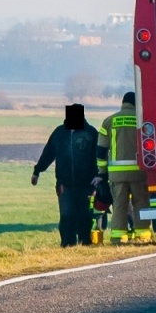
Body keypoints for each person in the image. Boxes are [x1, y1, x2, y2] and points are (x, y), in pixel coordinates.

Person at [32, 103, 102, 248]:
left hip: (87, 184)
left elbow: (99, 156)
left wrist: (99, 176)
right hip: (65, 184)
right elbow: (48, 153)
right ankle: (67, 244)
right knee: (67, 215)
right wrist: (37, 171)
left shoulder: (91, 133)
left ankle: (85, 242)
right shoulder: (59, 133)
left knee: (85, 215)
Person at [97, 91, 148, 244]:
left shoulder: (109, 121)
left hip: (117, 175)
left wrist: (102, 172)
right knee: (141, 203)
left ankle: (119, 237)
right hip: (139, 172)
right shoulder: (142, 120)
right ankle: (143, 236)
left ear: (123, 103)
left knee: (119, 205)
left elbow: (101, 151)